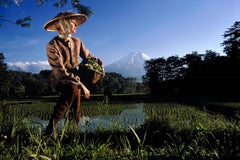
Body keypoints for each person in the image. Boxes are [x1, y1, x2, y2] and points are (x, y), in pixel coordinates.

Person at [43, 11, 104, 139]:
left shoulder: (77, 41)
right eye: (73, 22)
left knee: (75, 94)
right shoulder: (52, 45)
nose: (76, 25)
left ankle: (71, 132)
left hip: (76, 76)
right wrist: (83, 86)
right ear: (62, 24)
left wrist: (98, 63)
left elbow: (89, 56)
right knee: (72, 90)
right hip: (60, 78)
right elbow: (60, 72)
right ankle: (51, 129)